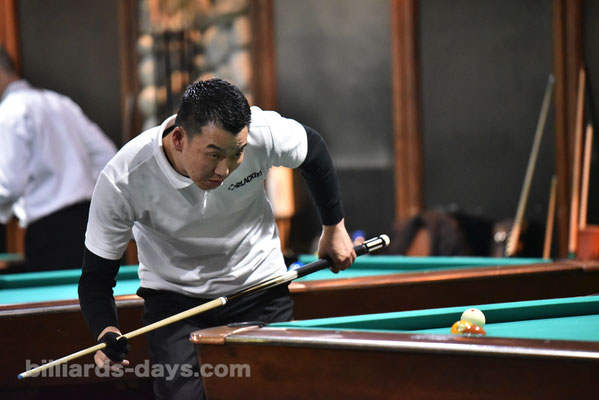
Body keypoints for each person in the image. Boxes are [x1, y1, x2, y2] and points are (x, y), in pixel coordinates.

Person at [78, 78, 356, 399]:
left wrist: (334, 228)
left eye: (237, 153)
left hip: (260, 288)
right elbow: (95, 280)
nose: (225, 170)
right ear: (179, 138)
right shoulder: (123, 178)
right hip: (176, 304)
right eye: (214, 155)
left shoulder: (262, 132)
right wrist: (106, 329)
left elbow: (313, 150)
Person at [0, 45, 117, 272]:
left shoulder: (8, 112)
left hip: (51, 234)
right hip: (93, 225)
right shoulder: (60, 102)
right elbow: (108, 158)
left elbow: (9, 186)